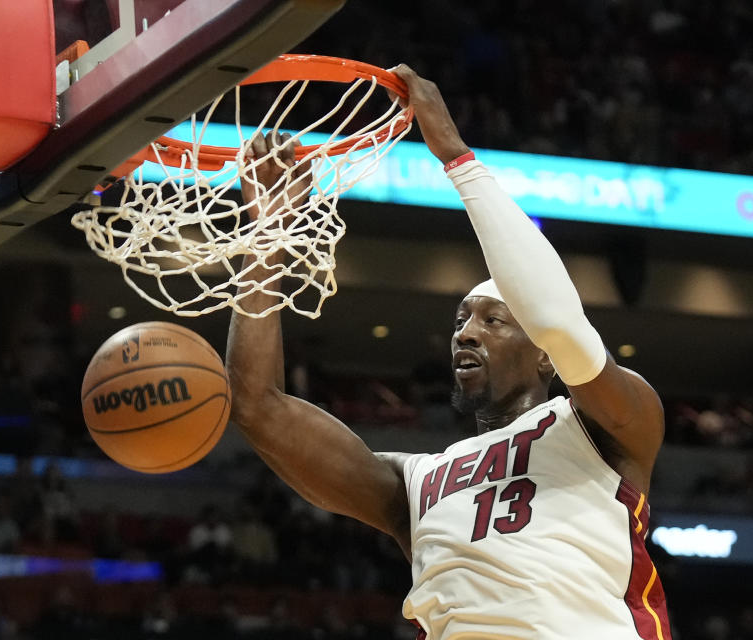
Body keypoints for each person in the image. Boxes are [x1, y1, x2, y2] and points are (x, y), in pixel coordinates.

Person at [227, 65, 670, 639]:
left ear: (543, 356)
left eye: (493, 320)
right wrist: (266, 237)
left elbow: (559, 322)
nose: (465, 332)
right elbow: (257, 405)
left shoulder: (606, 424)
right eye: (460, 320)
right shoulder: (414, 482)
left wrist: (458, 157)